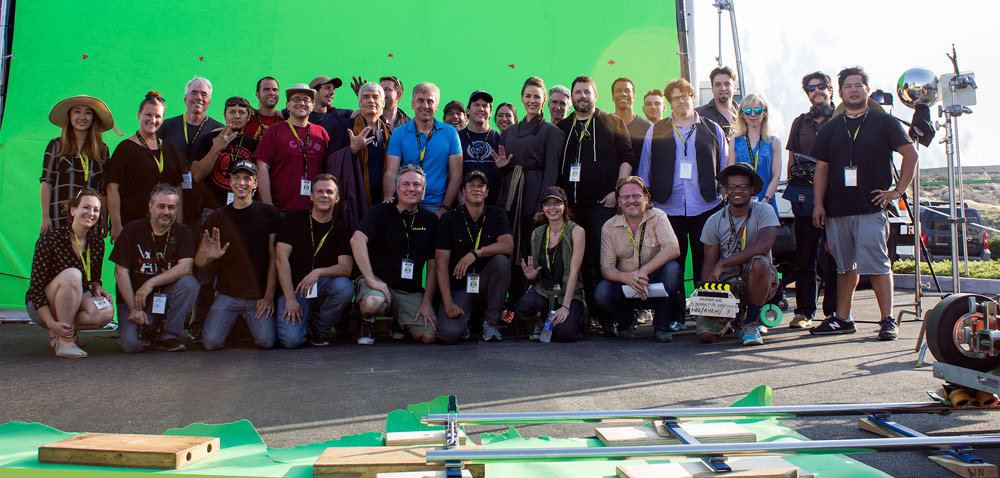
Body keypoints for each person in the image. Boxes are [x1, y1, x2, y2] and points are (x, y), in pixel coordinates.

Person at [810, 66, 918, 341]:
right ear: (841, 92)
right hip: (837, 209)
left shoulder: (884, 122)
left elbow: (910, 153)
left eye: (859, 85)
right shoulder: (831, 128)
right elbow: (821, 168)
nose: (854, 90)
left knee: (878, 264)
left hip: (871, 206)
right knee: (845, 267)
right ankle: (843, 319)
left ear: (867, 90)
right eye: (848, 86)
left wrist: (898, 190)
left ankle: (887, 319)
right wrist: (818, 205)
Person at [637, 78, 728, 331]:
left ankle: (705, 316)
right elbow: (645, 167)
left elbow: (724, 163)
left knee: (705, 264)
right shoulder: (656, 130)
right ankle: (675, 316)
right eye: (676, 98)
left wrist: (724, 192)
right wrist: (647, 199)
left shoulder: (712, 128)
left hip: (706, 207)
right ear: (670, 102)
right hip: (668, 208)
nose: (681, 101)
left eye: (685, 95)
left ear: (692, 97)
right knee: (672, 267)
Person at [555, 75, 636, 328]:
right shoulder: (562, 128)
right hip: (572, 210)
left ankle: (617, 319)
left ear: (595, 95)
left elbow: (627, 157)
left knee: (606, 262)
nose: (582, 96)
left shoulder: (613, 121)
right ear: (572, 97)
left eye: (587, 92)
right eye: (577, 92)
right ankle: (590, 318)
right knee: (580, 265)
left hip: (604, 206)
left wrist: (618, 191)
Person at [196, 160, 281, 350]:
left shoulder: (269, 213)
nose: (241, 183)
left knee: (266, 341)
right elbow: (199, 261)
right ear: (230, 182)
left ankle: (242, 324)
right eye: (236, 178)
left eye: (246, 179)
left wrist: (268, 297)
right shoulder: (217, 216)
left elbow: (275, 258)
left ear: (255, 183)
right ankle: (234, 322)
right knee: (210, 343)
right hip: (228, 295)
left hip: (257, 297)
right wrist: (210, 256)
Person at [351, 165, 440, 345]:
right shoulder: (380, 211)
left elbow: (433, 265)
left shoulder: (430, 220)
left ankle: (399, 323)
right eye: (405, 184)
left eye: (416, 185)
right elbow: (356, 240)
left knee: (429, 336)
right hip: (378, 285)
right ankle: (368, 322)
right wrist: (371, 280)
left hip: (408, 290)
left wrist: (427, 302)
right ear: (397, 188)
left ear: (423, 191)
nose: (411, 189)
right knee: (373, 303)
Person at [495, 76, 564, 302]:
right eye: (528, 96)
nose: (532, 100)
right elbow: (506, 168)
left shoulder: (552, 132)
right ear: (522, 98)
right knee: (512, 251)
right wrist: (503, 169)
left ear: (544, 99)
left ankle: (533, 305)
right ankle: (513, 305)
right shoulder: (509, 132)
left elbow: (552, 171)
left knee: (531, 252)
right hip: (511, 197)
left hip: (535, 196)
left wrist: (542, 205)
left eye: (537, 96)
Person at [25, 188, 114, 358]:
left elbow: (93, 278)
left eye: (96, 210)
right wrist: (51, 323)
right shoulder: (50, 238)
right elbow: (36, 289)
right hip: (42, 305)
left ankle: (60, 333)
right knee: (72, 274)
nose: (91, 213)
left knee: (107, 311)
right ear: (73, 210)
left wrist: (97, 287)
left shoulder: (97, 243)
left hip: (75, 298)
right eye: (86, 207)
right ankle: (65, 341)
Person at [698, 164, 780, 346]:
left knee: (759, 262)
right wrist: (706, 298)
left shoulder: (765, 211)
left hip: (760, 279)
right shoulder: (713, 221)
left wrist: (724, 263)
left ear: (752, 190)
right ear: (725, 190)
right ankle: (733, 319)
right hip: (729, 285)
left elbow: (763, 246)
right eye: (732, 187)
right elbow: (708, 264)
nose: (737, 191)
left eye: (743, 187)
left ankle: (751, 323)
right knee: (705, 336)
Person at [111, 184, 198, 353]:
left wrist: (150, 283)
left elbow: (186, 267)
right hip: (134, 299)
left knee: (190, 283)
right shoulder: (132, 229)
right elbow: (120, 271)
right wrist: (134, 309)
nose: (166, 212)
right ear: (150, 207)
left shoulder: (183, 231)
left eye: (171, 207)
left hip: (164, 296)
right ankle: (150, 332)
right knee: (131, 345)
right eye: (161, 206)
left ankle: (168, 336)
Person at [595, 176, 682, 342]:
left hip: (653, 280)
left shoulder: (658, 216)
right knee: (602, 292)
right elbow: (606, 268)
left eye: (636, 196)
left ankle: (662, 327)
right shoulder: (609, 226)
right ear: (619, 201)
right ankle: (626, 322)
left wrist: (644, 272)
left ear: (646, 198)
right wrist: (625, 277)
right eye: (625, 197)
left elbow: (673, 248)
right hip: (626, 282)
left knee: (672, 270)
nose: (631, 201)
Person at [275, 174, 355, 348]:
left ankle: (319, 327)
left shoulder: (341, 229)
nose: (324, 196)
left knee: (345, 287)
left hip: (321, 287)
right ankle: (304, 324)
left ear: (337, 198)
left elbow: (346, 268)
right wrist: (289, 298)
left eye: (329, 192)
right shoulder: (292, 220)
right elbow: (281, 259)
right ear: (311, 196)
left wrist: (318, 272)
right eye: (319, 191)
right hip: (294, 290)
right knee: (291, 341)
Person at [785, 71, 838, 329]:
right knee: (805, 257)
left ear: (830, 89)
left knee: (836, 256)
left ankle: (834, 312)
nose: (816, 92)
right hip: (805, 198)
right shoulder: (800, 122)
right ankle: (804, 312)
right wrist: (793, 190)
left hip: (837, 197)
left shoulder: (841, 118)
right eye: (811, 89)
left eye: (820, 87)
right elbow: (792, 158)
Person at [435, 171, 513, 343]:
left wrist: (476, 253)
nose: (476, 189)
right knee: (449, 334)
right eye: (471, 186)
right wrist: (448, 302)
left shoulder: (497, 214)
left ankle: (490, 323)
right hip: (460, 287)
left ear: (487, 191)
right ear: (463, 191)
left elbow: (507, 245)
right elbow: (441, 263)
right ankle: (467, 322)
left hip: (485, 285)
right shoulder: (449, 219)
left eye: (481, 186)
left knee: (501, 262)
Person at [108, 91, 185, 242]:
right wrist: (116, 224)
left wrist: (178, 221)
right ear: (139, 114)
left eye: (158, 116)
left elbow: (178, 187)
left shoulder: (169, 149)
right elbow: (112, 188)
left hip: (164, 225)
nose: (153, 120)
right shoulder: (125, 149)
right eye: (148, 115)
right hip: (132, 223)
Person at [516, 186, 586, 342]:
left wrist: (566, 307)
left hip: (567, 294)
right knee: (524, 307)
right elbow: (535, 269)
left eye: (557, 203)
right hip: (545, 291)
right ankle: (540, 321)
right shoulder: (538, 233)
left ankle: (566, 319)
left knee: (565, 334)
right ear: (542, 208)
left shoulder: (576, 231)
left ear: (565, 206)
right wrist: (532, 275)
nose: (552, 208)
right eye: (547, 204)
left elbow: (574, 272)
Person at [383, 82, 462, 215]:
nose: (425, 106)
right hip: (404, 203)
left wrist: (444, 208)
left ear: (436, 106)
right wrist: (388, 200)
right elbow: (391, 172)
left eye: (430, 101)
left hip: (436, 205)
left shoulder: (450, 133)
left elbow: (456, 175)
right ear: (412, 104)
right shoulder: (399, 133)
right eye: (420, 101)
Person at [41, 95, 115, 233]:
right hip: (60, 217)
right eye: (77, 111)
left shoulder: (102, 149)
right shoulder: (56, 146)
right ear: (69, 115)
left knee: (88, 254)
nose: (82, 117)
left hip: (91, 219)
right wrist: (45, 217)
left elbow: (103, 189)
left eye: (88, 112)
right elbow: (47, 182)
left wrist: (104, 218)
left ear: (93, 118)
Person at [157, 77, 224, 227]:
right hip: (170, 203)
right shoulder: (167, 126)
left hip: (204, 207)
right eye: (194, 92)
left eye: (204, 94)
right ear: (185, 99)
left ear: (209, 102)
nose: (199, 97)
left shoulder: (218, 130)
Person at [256, 84, 330, 213]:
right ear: (288, 106)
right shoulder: (275, 131)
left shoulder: (321, 132)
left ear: (312, 106)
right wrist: (268, 204)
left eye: (306, 100)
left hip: (314, 210)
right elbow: (262, 166)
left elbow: (329, 167)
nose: (301, 103)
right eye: (296, 99)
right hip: (281, 209)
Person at [330, 82, 392, 228]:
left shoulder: (390, 132)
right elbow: (330, 162)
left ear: (383, 103)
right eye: (365, 97)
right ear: (359, 102)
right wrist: (350, 150)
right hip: (355, 199)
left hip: (383, 200)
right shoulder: (344, 126)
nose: (371, 100)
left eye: (376, 97)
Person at [192, 96, 259, 214]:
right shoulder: (209, 139)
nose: (237, 116)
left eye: (242, 112)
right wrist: (215, 149)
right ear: (224, 115)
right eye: (232, 112)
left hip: (245, 209)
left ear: (248, 117)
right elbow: (197, 175)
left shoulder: (254, 145)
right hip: (212, 210)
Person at [728, 93, 782, 215]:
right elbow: (730, 175)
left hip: (765, 201)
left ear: (764, 114)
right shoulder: (734, 141)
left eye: (758, 110)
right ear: (742, 114)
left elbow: (776, 176)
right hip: (740, 202)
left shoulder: (773, 141)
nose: (753, 115)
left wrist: (765, 200)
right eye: (747, 111)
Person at [459, 90, 501, 206]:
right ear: (468, 110)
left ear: (491, 112)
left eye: (485, 106)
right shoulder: (456, 138)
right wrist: (460, 198)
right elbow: (449, 173)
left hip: (493, 205)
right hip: (462, 203)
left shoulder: (500, 138)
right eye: (476, 105)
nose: (481, 109)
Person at [612, 77, 653, 157]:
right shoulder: (604, 124)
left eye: (627, 91)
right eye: (618, 91)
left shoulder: (647, 127)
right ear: (613, 97)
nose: (623, 94)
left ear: (634, 96)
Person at [695, 66, 738, 136]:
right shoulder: (699, 115)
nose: (723, 88)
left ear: (735, 87)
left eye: (727, 84)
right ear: (712, 88)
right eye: (718, 84)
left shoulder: (745, 114)